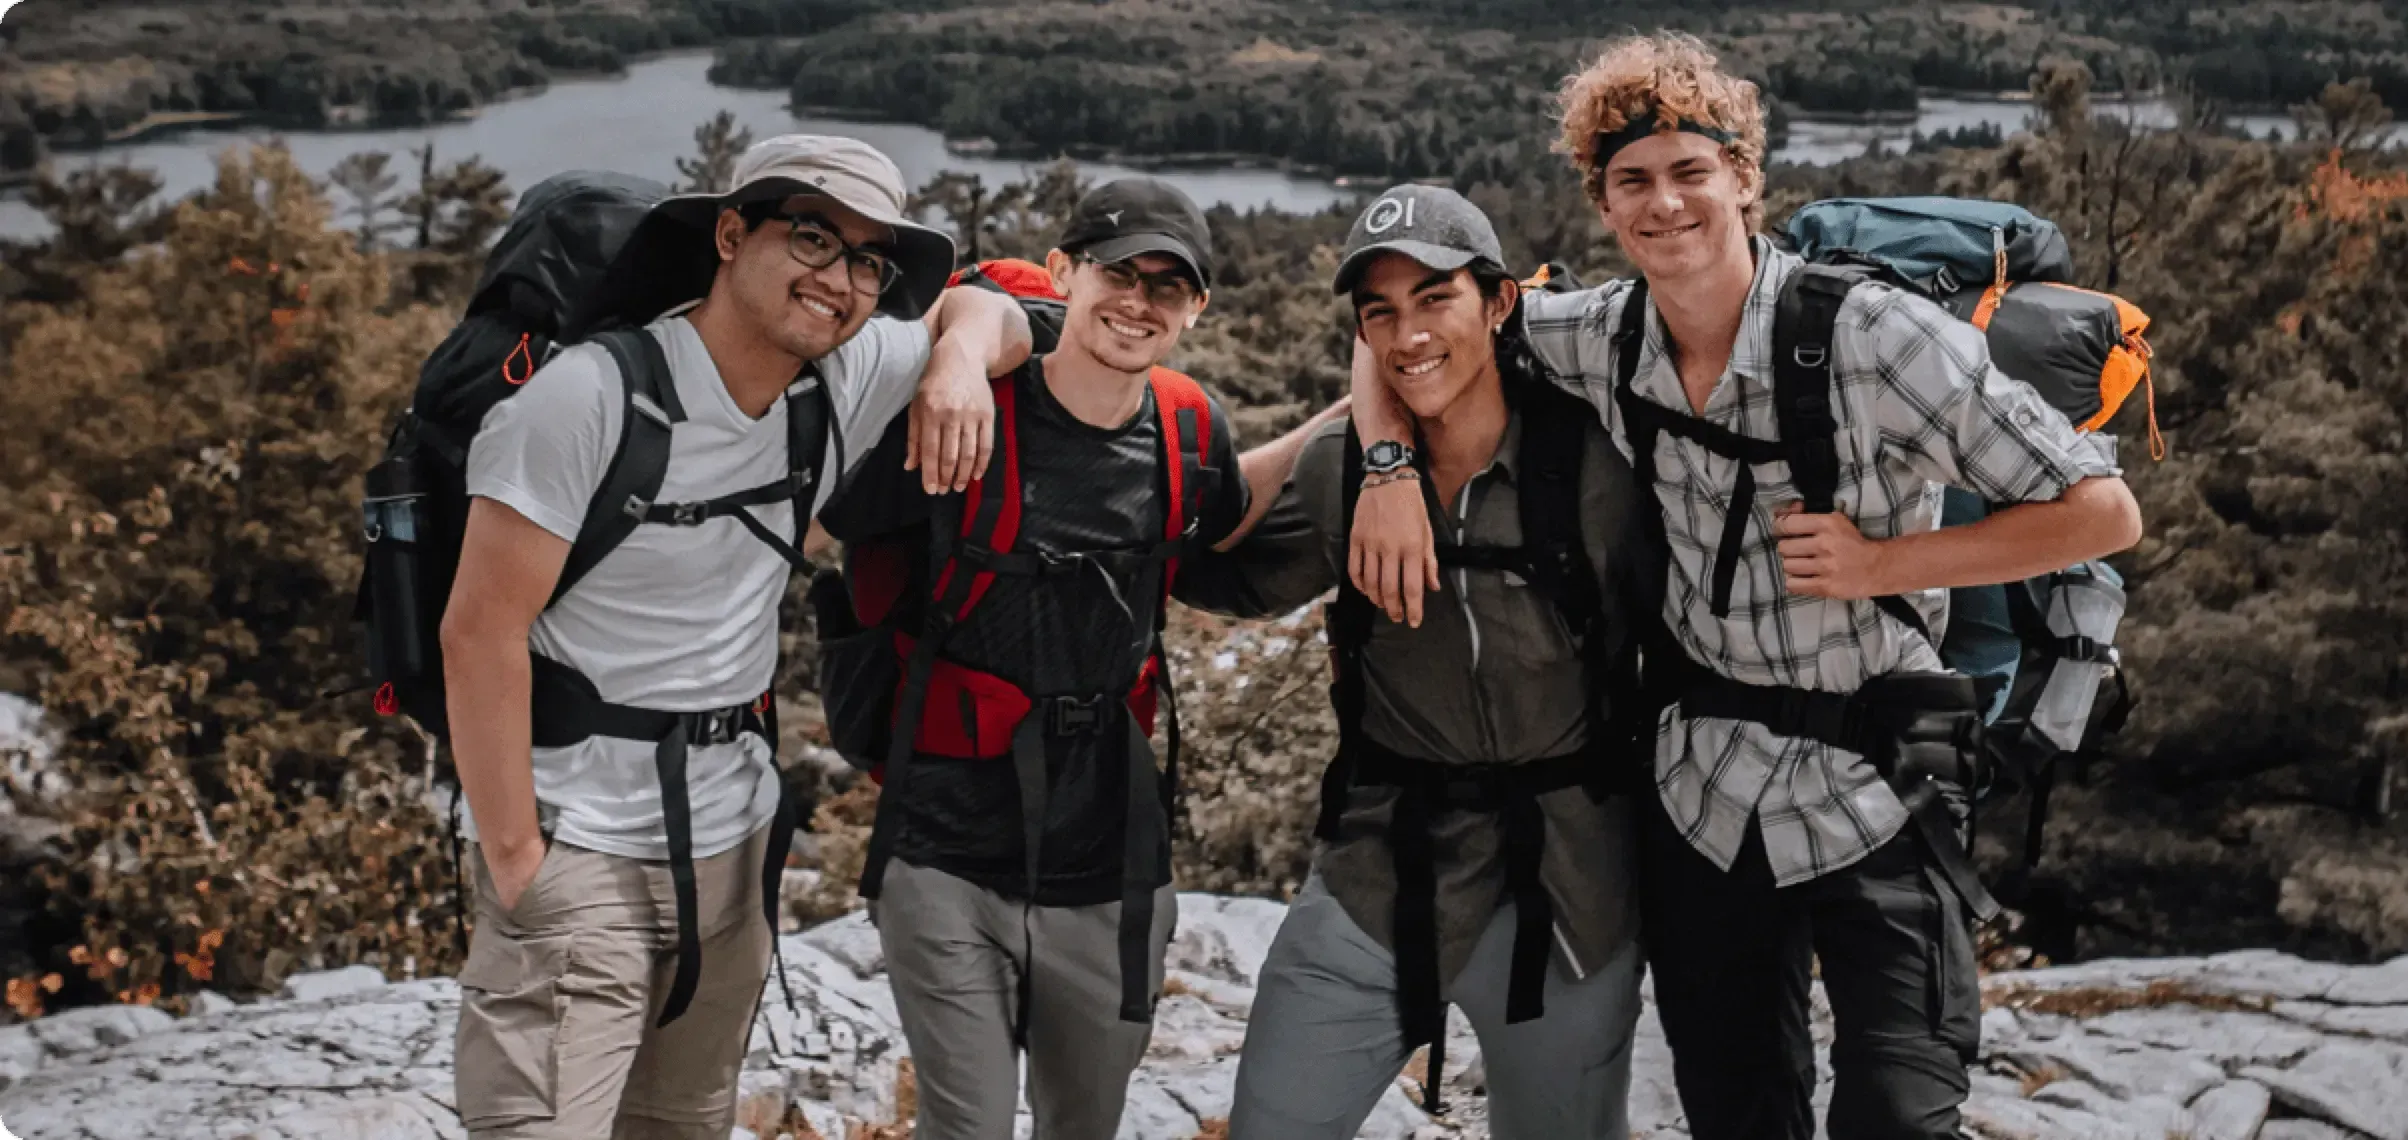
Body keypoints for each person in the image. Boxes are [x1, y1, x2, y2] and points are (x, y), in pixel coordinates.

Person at [1341, 34, 2144, 1140]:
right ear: (1603, 203)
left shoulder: (1872, 337)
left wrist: (1884, 566)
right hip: (1705, 790)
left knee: (1902, 1112)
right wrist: (1387, 471)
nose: (1664, 203)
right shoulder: (1601, 335)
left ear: (1744, 179)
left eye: (1691, 171)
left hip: (1882, 784)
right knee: (1737, 1113)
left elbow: (2103, 511)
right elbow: (1410, 329)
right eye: (1633, 181)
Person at [439, 133, 1031, 1140]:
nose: (837, 279)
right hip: (577, 845)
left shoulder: (840, 378)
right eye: (811, 237)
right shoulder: (587, 398)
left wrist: (959, 361)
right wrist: (518, 861)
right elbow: (478, 633)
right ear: (728, 235)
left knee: (682, 1124)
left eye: (867, 260)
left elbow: (995, 309)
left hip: (733, 850)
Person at [819, 177, 1311, 1140]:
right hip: (943, 852)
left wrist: (1354, 422)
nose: (1138, 301)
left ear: (1197, 308)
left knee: (1085, 1122)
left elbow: (1225, 514)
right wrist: (957, 340)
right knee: (965, 1127)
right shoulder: (960, 414)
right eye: (1117, 273)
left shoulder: (1187, 431)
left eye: (1167, 286)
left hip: (1109, 861)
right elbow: (827, 496)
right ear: (1062, 273)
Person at [1174, 185, 1655, 1139]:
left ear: (1500, 302)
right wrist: (1356, 449)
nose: (1409, 334)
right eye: (1381, 313)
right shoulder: (1342, 469)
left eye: (1435, 299)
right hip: (1381, 874)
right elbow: (1210, 567)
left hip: (1567, 892)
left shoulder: (1596, 466)